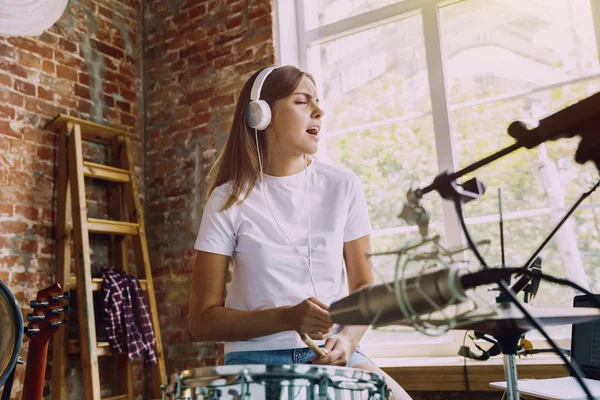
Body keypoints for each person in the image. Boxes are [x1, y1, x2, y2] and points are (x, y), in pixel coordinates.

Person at [188, 65, 412, 400]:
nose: (319, 111)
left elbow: (365, 286)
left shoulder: (343, 186)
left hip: (332, 359)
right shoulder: (227, 199)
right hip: (252, 361)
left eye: (318, 102)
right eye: (302, 101)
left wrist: (349, 340)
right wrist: (289, 317)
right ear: (261, 115)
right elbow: (202, 321)